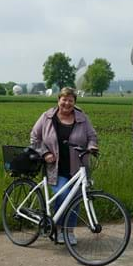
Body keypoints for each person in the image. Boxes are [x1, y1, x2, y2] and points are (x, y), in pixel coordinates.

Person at [30, 87, 98, 244]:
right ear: (58, 100)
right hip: (55, 168)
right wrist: (45, 153)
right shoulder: (47, 117)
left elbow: (92, 136)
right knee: (63, 194)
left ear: (74, 102)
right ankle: (59, 228)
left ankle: (69, 231)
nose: (67, 103)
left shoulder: (82, 118)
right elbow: (35, 137)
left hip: (78, 166)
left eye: (70, 100)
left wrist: (92, 146)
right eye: (64, 99)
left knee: (75, 197)